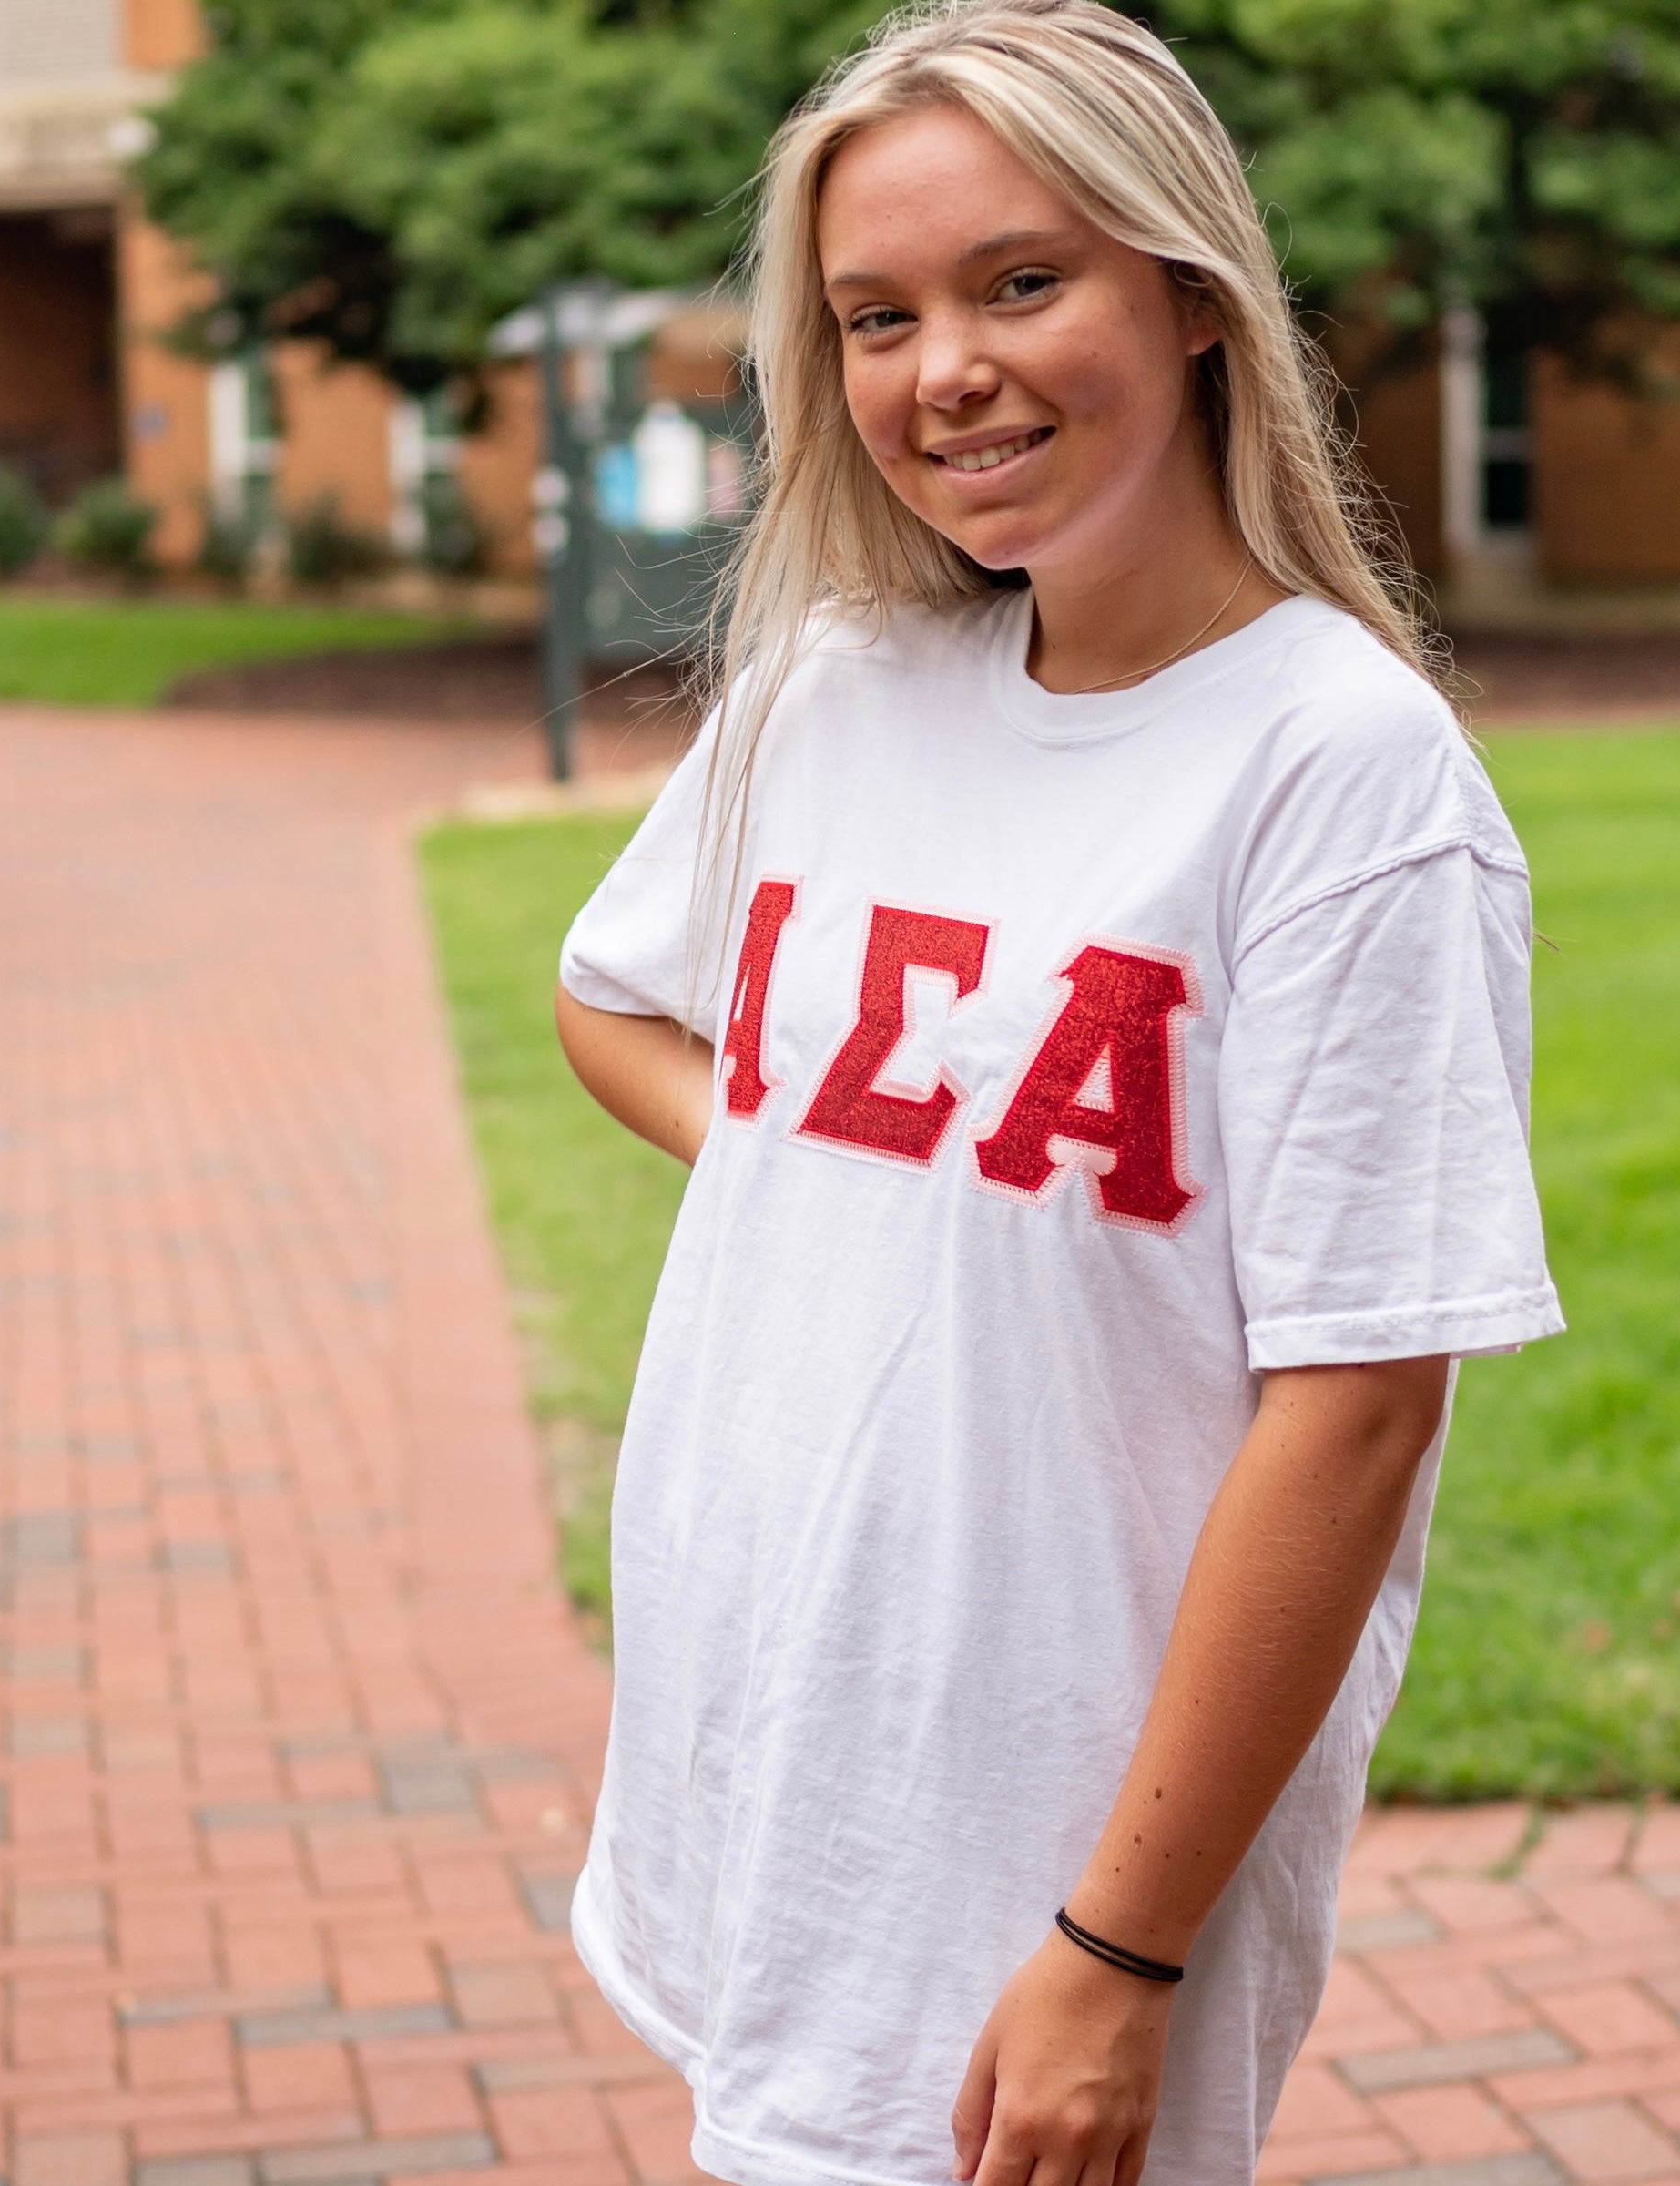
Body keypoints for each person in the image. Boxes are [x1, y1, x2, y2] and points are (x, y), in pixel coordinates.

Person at [553, 3, 1564, 2181]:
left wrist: (1120, 1945)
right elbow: (614, 1000)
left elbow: (1360, 1406)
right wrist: (819, 1166)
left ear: (1189, 298)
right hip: (776, 1781)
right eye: (874, 317)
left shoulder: (1341, 775)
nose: (945, 370)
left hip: (1054, 1854)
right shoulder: (841, 684)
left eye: (1022, 280)